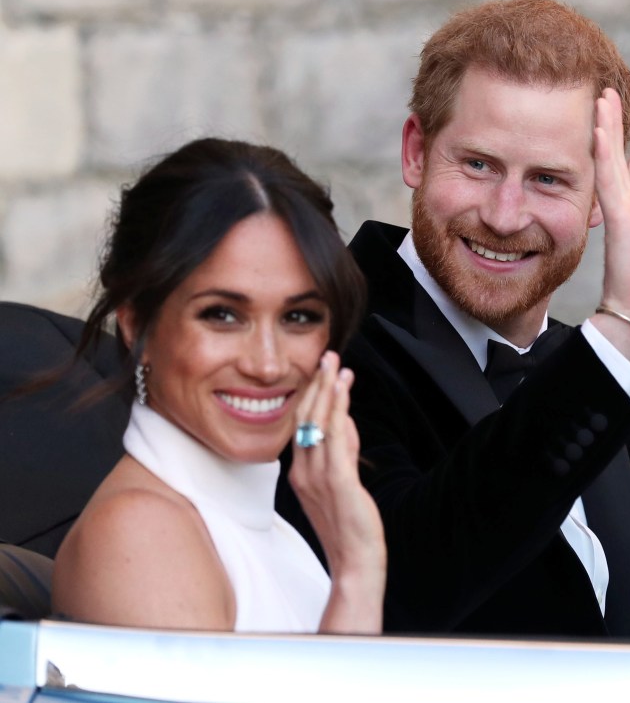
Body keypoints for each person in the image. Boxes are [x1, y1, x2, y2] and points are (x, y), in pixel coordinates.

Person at [277, 0, 630, 637]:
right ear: (417, 152)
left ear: (598, 199)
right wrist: (620, 332)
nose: (505, 215)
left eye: (549, 180)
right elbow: (402, 587)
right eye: (478, 165)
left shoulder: (581, 364)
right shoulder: (322, 338)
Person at [52, 138, 386, 634]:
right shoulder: (142, 534)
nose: (268, 364)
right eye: (223, 315)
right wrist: (358, 575)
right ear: (135, 322)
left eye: (298, 316)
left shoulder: (268, 529)